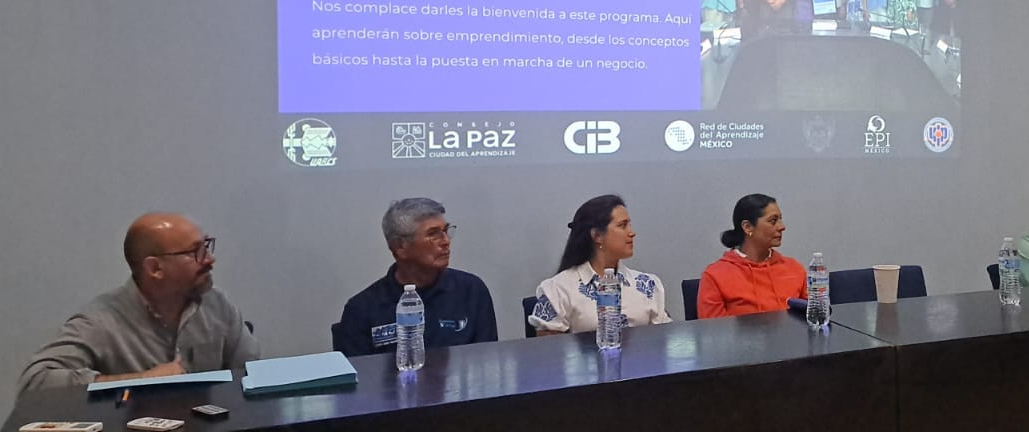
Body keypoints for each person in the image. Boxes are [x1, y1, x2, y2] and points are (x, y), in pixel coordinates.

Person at [18, 213, 260, 391]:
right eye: (194, 252)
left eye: (206, 246)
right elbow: (36, 382)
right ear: (155, 268)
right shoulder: (102, 321)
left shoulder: (216, 305)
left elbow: (251, 376)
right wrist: (140, 380)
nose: (210, 259)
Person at [334, 198, 498, 356]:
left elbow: (486, 364)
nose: (446, 241)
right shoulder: (362, 309)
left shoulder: (471, 291)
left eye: (446, 231)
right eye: (433, 234)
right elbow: (358, 379)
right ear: (400, 247)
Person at [529, 195, 670, 334]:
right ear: (597, 236)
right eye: (622, 225)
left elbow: (664, 340)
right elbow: (549, 351)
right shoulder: (559, 289)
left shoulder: (648, 285)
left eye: (629, 225)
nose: (632, 233)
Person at [698, 194, 806, 318]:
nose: (782, 227)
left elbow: (813, 320)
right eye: (773, 221)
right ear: (748, 227)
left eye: (780, 219)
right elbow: (713, 332)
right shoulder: (715, 276)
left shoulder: (794, 268)